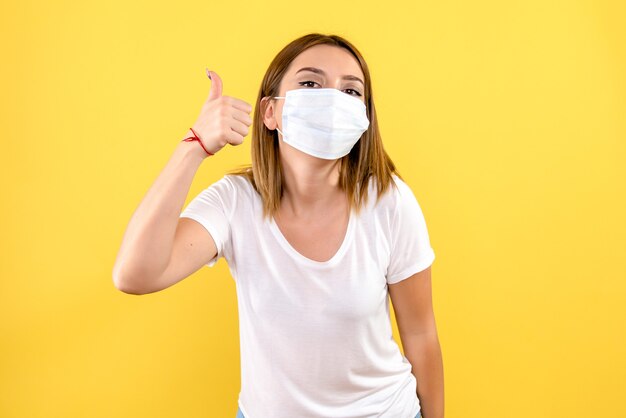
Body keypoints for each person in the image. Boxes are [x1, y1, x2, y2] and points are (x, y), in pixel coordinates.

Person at [113, 33, 444, 418]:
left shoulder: (389, 201)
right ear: (269, 112)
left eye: (351, 91)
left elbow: (421, 336)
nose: (333, 99)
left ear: (364, 117)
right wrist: (193, 147)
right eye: (310, 83)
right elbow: (134, 275)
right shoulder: (236, 201)